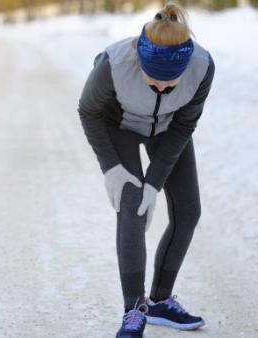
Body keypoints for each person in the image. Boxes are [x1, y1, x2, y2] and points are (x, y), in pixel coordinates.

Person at [76, 1, 215, 337]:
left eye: (171, 83)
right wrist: (111, 167)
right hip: (118, 125)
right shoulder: (114, 63)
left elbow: (184, 125)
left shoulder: (202, 66)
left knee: (188, 212)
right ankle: (134, 310)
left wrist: (155, 180)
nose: (163, 88)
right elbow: (87, 111)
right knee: (132, 208)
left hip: (168, 130)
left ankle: (160, 302)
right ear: (140, 60)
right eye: (155, 81)